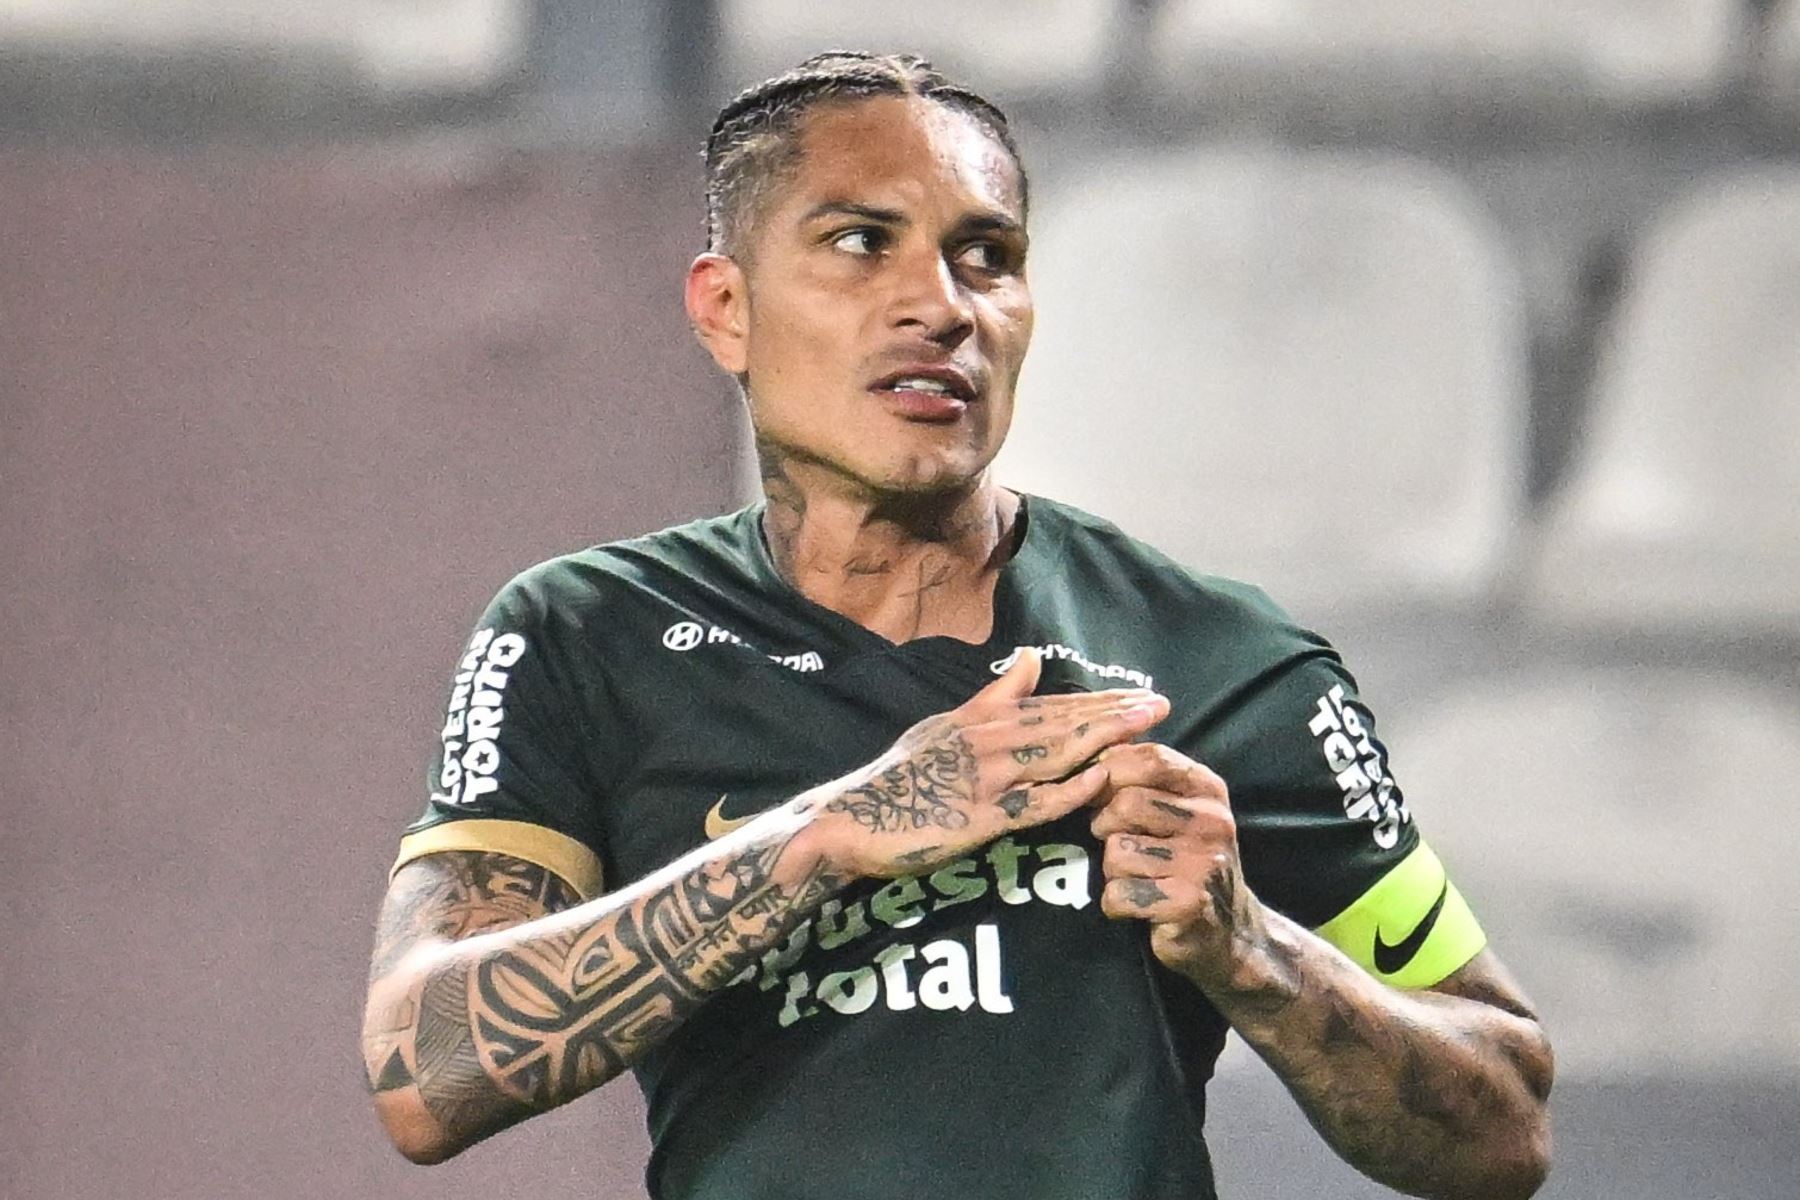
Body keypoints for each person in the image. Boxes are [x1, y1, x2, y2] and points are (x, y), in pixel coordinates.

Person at [360, 51, 1553, 1200]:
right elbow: (428, 1072)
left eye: (986, 256)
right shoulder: (586, 636)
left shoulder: (1226, 661)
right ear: (727, 309)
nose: (939, 305)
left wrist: (1250, 949)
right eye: (859, 243)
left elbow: (1505, 1126)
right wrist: (829, 835)